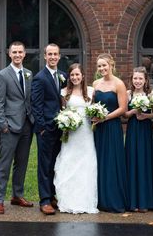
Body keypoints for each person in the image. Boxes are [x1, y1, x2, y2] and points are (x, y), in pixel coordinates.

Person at [0, 41, 35, 215]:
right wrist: (3, 125)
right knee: (4, 163)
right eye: (14, 52)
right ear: (9, 54)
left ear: (24, 54)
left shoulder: (29, 74)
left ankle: (17, 195)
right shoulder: (2, 75)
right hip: (9, 126)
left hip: (26, 124)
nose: (17, 55)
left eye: (20, 52)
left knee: (22, 162)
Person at [53, 63, 98, 214]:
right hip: (71, 133)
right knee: (70, 163)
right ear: (69, 77)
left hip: (86, 133)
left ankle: (85, 201)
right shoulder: (64, 92)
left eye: (77, 74)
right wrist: (66, 121)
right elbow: (62, 111)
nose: (75, 77)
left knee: (86, 165)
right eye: (72, 75)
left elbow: (93, 111)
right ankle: (68, 199)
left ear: (83, 76)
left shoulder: (91, 91)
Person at [31, 43, 67, 215]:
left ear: (59, 56)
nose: (53, 57)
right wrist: (42, 128)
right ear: (44, 56)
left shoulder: (63, 76)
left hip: (62, 129)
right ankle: (44, 200)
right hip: (46, 129)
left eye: (55, 54)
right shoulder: (40, 77)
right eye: (49, 54)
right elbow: (36, 105)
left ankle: (53, 195)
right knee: (44, 165)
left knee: (56, 163)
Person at [92, 53, 128, 213]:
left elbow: (123, 109)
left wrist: (105, 118)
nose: (102, 68)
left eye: (104, 65)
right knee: (99, 161)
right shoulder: (95, 83)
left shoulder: (119, 84)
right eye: (99, 66)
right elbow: (92, 104)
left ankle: (113, 200)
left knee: (112, 161)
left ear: (111, 65)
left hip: (112, 127)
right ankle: (100, 199)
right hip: (99, 128)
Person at [124, 66, 153, 212]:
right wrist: (134, 111)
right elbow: (124, 114)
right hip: (132, 130)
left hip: (145, 130)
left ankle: (145, 201)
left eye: (140, 79)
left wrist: (145, 115)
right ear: (132, 79)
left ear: (145, 80)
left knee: (145, 161)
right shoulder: (128, 94)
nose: (137, 81)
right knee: (132, 161)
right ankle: (133, 201)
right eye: (135, 78)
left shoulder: (151, 94)